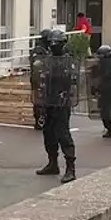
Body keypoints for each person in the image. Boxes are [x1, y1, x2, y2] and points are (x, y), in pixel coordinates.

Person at [35, 29, 77, 184]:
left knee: (63, 134)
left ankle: (70, 168)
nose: (53, 46)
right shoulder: (47, 60)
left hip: (61, 102)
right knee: (48, 134)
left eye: (56, 43)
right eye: (51, 43)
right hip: (48, 102)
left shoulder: (69, 61)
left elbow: (72, 82)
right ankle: (52, 163)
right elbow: (42, 81)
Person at [29, 28, 51, 130]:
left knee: (45, 101)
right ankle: (39, 121)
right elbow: (37, 66)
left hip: (45, 79)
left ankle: (44, 119)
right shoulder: (39, 51)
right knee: (39, 101)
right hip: (38, 80)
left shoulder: (46, 49)